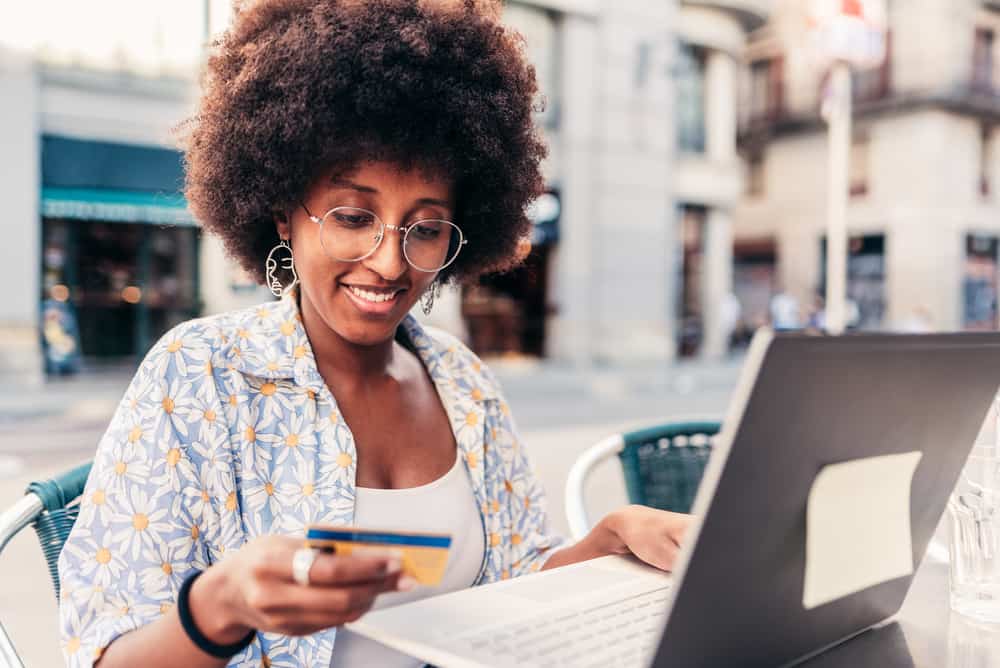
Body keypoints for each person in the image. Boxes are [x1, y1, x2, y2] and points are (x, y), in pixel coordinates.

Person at [57, 2, 691, 667]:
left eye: (423, 228)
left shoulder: (464, 384)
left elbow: (513, 586)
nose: (390, 263)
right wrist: (223, 605)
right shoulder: (200, 375)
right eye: (354, 216)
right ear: (282, 213)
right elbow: (104, 658)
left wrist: (613, 537)